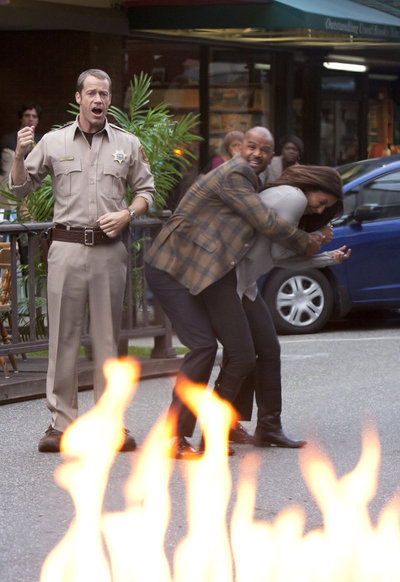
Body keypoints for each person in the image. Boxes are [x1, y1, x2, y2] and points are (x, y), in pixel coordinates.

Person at [145, 126, 323, 459]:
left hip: (210, 271)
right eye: (252, 147)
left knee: (249, 350)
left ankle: (234, 429)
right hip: (174, 269)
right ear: (239, 148)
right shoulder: (236, 174)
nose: (257, 154)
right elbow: (265, 222)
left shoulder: (252, 180)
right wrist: (306, 241)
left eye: (264, 150)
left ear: (273, 155)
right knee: (204, 346)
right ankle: (176, 437)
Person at [10, 69, 155, 453]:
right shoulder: (54, 141)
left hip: (110, 251)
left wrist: (127, 214)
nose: (99, 99)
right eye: (91, 92)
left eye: (104, 93)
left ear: (109, 100)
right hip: (67, 250)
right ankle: (61, 425)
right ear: (78, 98)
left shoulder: (127, 143)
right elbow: (22, 186)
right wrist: (21, 154)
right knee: (63, 339)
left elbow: (146, 191)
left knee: (109, 340)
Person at [230, 165, 350, 445]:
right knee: (241, 356)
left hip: (243, 286)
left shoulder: (291, 197)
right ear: (314, 185)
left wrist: (327, 257)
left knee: (268, 350)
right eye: (322, 203)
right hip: (229, 284)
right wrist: (318, 236)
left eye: (326, 209)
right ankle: (223, 426)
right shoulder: (292, 197)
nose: (320, 211)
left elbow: (277, 259)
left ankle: (268, 428)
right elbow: (280, 250)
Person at [0, 103, 43, 263]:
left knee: (29, 248)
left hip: (31, 203)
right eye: (27, 115)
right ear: (20, 117)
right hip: (7, 199)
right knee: (6, 245)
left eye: (34, 116)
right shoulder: (8, 140)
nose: (31, 119)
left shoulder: (42, 141)